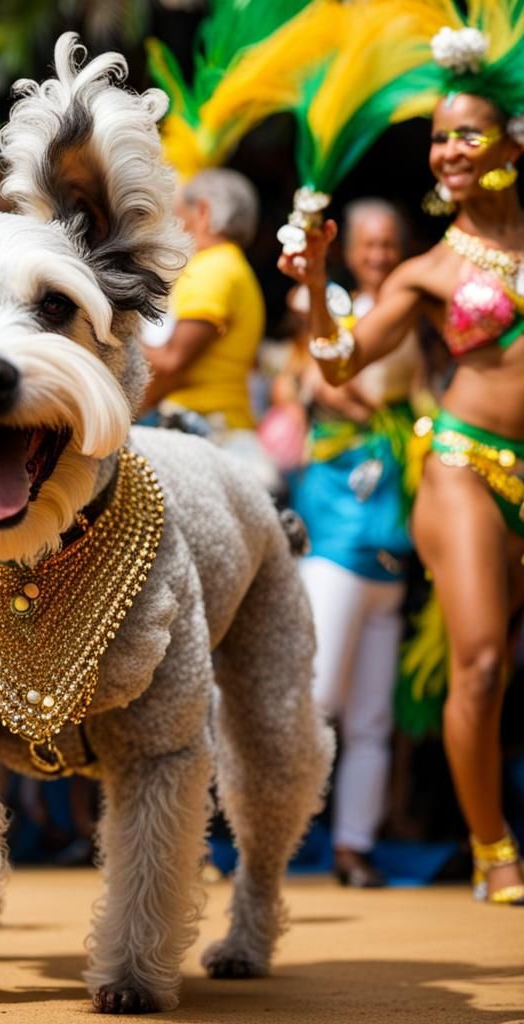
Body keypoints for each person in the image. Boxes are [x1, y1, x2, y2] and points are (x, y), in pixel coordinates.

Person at [279, 29, 524, 904]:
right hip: (466, 465)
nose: (448, 151)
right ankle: (494, 849)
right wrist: (311, 282)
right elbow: (337, 363)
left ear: (514, 141)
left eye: (466, 134)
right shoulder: (430, 269)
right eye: (438, 137)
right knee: (484, 662)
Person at [279, 199, 426, 887]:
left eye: (390, 241)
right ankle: (273, 835)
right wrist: (383, 416)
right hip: (337, 520)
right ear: (349, 247)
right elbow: (317, 381)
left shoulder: (413, 311)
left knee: (370, 713)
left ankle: (352, 846)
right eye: (369, 241)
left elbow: (425, 397)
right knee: (317, 695)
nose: (380, 252)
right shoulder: (326, 303)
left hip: (391, 526)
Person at [142, 169, 279, 492]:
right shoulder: (230, 267)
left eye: (179, 214)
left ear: (202, 211)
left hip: (204, 431)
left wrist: (119, 320)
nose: (175, 224)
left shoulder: (213, 271)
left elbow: (171, 360)